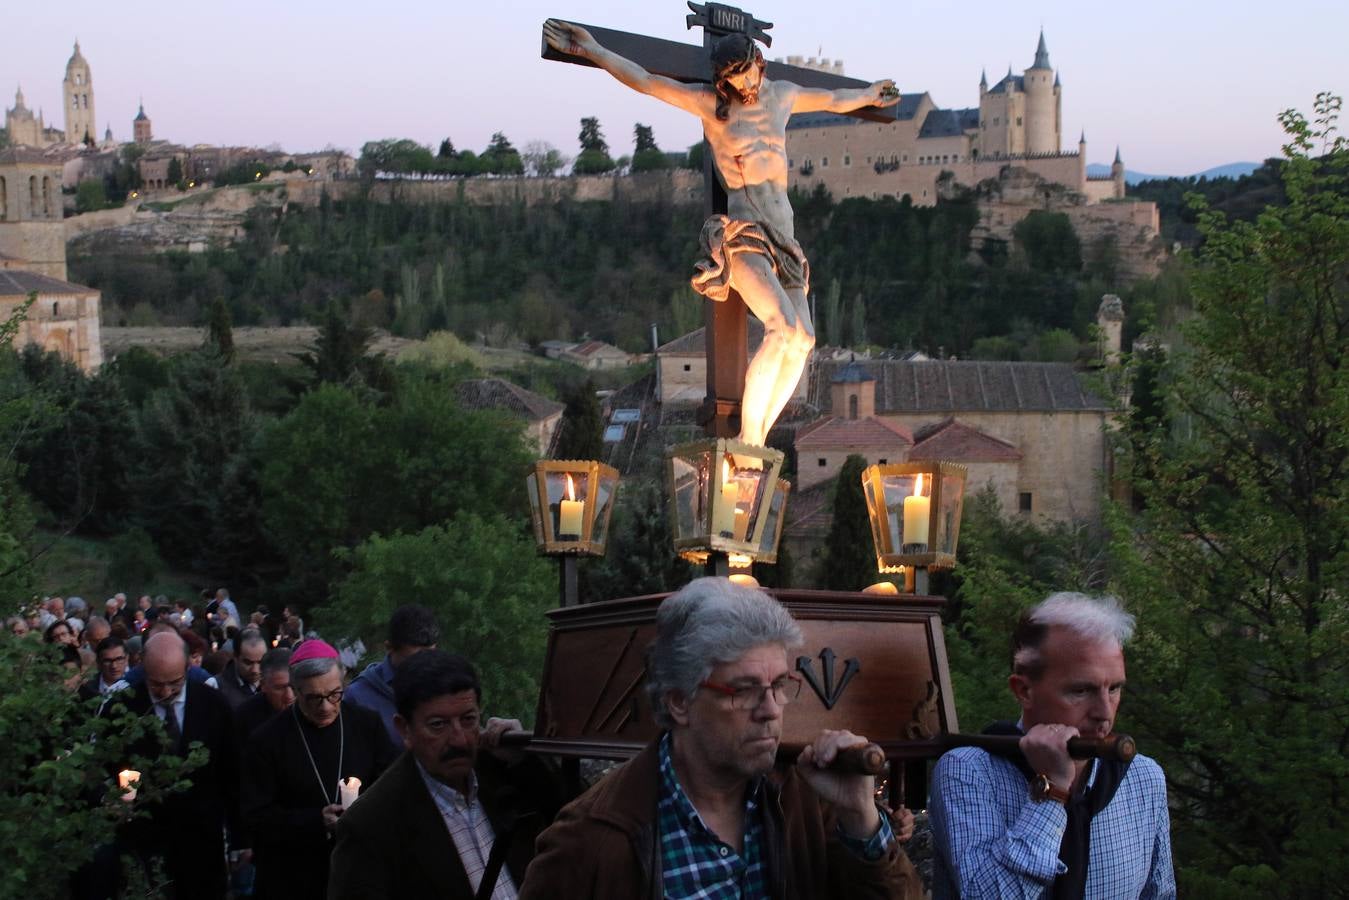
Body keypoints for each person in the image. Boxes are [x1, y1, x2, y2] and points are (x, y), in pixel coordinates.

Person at [542, 21, 898, 446]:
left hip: (786, 239)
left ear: (759, 64)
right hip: (746, 234)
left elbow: (835, 99)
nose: (745, 83)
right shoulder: (712, 106)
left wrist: (869, 94)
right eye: (734, 78)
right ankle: (747, 440)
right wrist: (594, 51)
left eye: (749, 72)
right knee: (781, 328)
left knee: (803, 340)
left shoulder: (781, 95)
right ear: (721, 79)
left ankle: (758, 439)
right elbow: (647, 81)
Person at [519, 576, 919, 899]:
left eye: (780, 684)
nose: (771, 710)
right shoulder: (592, 840)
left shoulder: (809, 805)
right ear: (679, 702)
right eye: (743, 690)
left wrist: (861, 818)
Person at [928, 592, 1175, 899]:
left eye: (1114, 688)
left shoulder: (1143, 778)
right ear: (1024, 690)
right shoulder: (969, 772)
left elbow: (1160, 894)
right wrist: (1053, 790)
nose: (1105, 713)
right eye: (1081, 690)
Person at [330, 651, 564, 899]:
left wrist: (524, 760)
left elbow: (574, 818)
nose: (459, 739)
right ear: (404, 729)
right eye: (438, 725)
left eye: (468, 719)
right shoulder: (370, 825)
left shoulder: (504, 772)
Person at [239, 639, 397, 900]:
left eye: (335, 694)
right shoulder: (267, 740)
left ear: (343, 682)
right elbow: (256, 817)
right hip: (294, 876)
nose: (325, 706)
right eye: (313, 698)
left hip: (360, 870)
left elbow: (392, 786)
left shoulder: (366, 725)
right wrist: (315, 821)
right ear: (295, 692)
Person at [114, 631, 239, 899]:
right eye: (156, 684)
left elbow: (231, 771)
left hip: (203, 837)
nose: (166, 692)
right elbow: (113, 766)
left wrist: (240, 838)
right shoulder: (125, 707)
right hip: (146, 837)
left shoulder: (213, 704)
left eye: (175, 682)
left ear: (188, 667)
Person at [344, 604, 439, 749]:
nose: (422, 667)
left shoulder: (445, 685)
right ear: (389, 648)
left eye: (428, 658)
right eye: (412, 660)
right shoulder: (358, 697)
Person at [217, 629, 267, 710]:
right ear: (235, 657)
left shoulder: (275, 684)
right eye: (248, 663)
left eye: (260, 662)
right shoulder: (215, 686)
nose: (255, 670)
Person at [79, 635, 130, 702]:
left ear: (127, 658)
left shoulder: (136, 685)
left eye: (119, 659)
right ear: (98, 662)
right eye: (108, 661)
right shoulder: (86, 689)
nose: (114, 666)